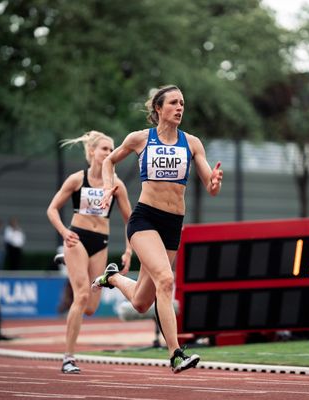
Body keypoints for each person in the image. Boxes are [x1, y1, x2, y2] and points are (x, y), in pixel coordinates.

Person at [92, 85, 223, 374]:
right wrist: (107, 185)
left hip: (173, 224)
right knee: (165, 280)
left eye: (182, 103)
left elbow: (209, 186)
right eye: (174, 103)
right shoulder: (140, 139)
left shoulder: (192, 143)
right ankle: (176, 354)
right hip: (145, 220)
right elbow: (109, 160)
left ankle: (112, 278)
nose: (180, 108)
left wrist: (214, 182)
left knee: (141, 302)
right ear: (158, 109)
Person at [46, 130, 133, 374]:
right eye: (105, 149)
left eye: (111, 149)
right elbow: (52, 209)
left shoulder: (116, 184)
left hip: (100, 242)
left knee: (91, 307)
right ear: (92, 152)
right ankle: (68, 358)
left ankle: (72, 265)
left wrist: (128, 251)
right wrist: (64, 232)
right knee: (81, 295)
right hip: (77, 239)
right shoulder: (77, 179)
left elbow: (131, 220)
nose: (109, 152)